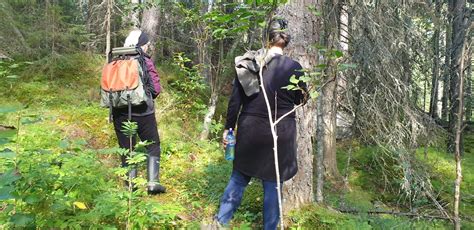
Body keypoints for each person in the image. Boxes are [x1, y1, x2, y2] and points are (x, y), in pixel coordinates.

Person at [216, 18, 306, 229]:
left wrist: (229, 128)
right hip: (281, 132)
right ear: (286, 40)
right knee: (274, 185)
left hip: (250, 131)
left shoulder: (249, 63)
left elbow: (234, 102)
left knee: (239, 178)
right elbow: (301, 99)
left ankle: (221, 223)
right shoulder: (295, 68)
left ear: (267, 38)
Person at [113, 30, 166, 194]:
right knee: (153, 146)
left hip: (120, 113)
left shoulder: (116, 60)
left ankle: (131, 188)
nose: (148, 46)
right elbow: (155, 89)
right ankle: (152, 183)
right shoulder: (144, 60)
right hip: (144, 113)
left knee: (127, 149)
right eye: (146, 43)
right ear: (141, 44)